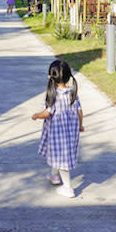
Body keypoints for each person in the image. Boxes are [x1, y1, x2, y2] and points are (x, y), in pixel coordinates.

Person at [31, 59, 83, 198]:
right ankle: (54, 176)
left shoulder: (53, 96)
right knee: (59, 156)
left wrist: (36, 115)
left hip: (58, 135)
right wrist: (80, 125)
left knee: (62, 160)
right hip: (71, 133)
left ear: (51, 77)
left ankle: (68, 188)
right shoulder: (72, 93)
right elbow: (79, 111)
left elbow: (47, 113)